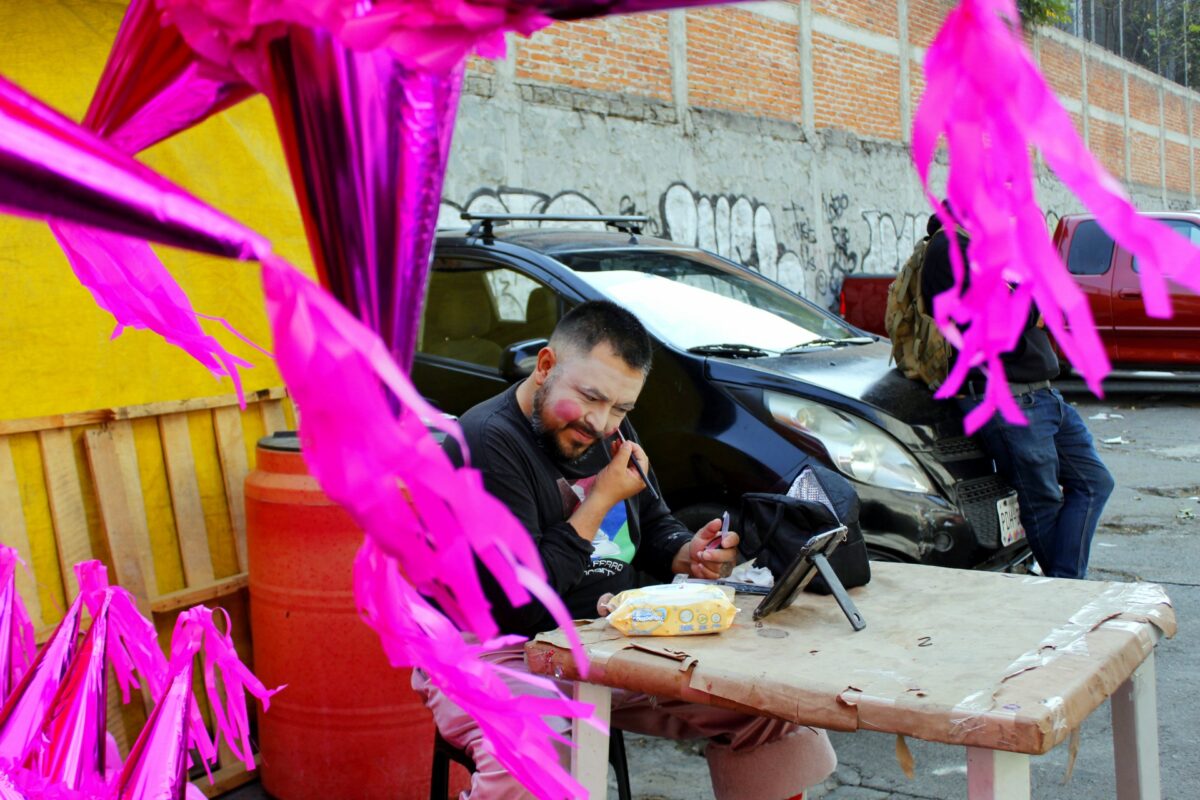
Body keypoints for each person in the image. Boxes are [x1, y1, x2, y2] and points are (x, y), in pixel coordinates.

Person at [413, 300, 836, 800]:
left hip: (605, 641)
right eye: (590, 398)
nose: (601, 422)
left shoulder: (608, 430)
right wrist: (600, 499)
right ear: (546, 366)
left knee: (765, 708)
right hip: (495, 652)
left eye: (621, 409)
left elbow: (652, 523)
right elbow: (522, 601)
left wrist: (687, 554)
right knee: (539, 752)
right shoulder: (487, 441)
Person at [921, 212, 1114, 579]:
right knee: (1043, 502)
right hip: (1007, 398)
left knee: (1094, 482)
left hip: (1042, 394)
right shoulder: (951, 247)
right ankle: (1067, 591)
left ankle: (1066, 585)